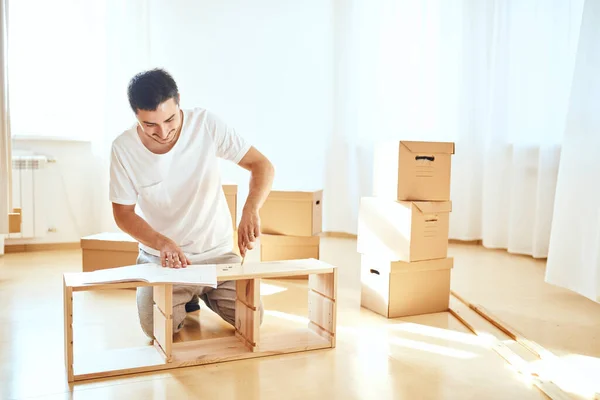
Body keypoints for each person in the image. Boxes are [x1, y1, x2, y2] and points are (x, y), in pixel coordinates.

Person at [108, 68, 274, 338]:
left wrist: (250, 208)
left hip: (216, 254)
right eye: (150, 125)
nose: (162, 132)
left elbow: (262, 165)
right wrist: (162, 243)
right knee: (156, 330)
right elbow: (123, 214)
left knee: (252, 321)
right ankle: (185, 297)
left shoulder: (205, 124)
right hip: (163, 261)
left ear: (179, 101)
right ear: (135, 114)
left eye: (170, 119)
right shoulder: (123, 148)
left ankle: (203, 293)